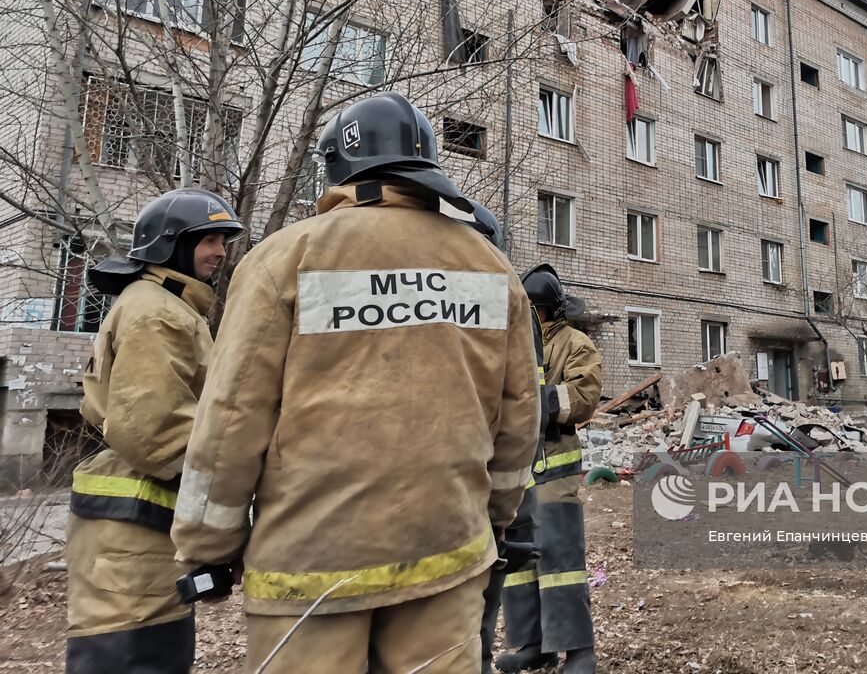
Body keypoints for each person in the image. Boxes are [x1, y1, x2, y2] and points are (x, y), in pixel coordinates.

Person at [171, 92, 541, 674]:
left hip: (310, 568)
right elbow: (520, 415)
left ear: (337, 168)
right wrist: (494, 515)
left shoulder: (283, 260)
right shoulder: (490, 267)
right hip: (447, 548)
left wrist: (207, 547)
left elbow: (232, 416)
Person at [66, 188, 245, 674]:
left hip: (137, 528)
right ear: (171, 245)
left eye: (222, 241)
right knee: (134, 658)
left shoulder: (170, 306)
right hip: (133, 530)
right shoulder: (157, 312)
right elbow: (156, 432)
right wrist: (242, 470)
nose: (220, 252)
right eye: (208, 239)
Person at [496, 264, 603, 674]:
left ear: (546, 310)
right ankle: (532, 645)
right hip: (515, 472)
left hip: (554, 469)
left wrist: (533, 401)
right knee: (518, 562)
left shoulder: (575, 344)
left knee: (560, 559)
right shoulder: (513, 343)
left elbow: (583, 396)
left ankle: (578, 651)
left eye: (531, 310)